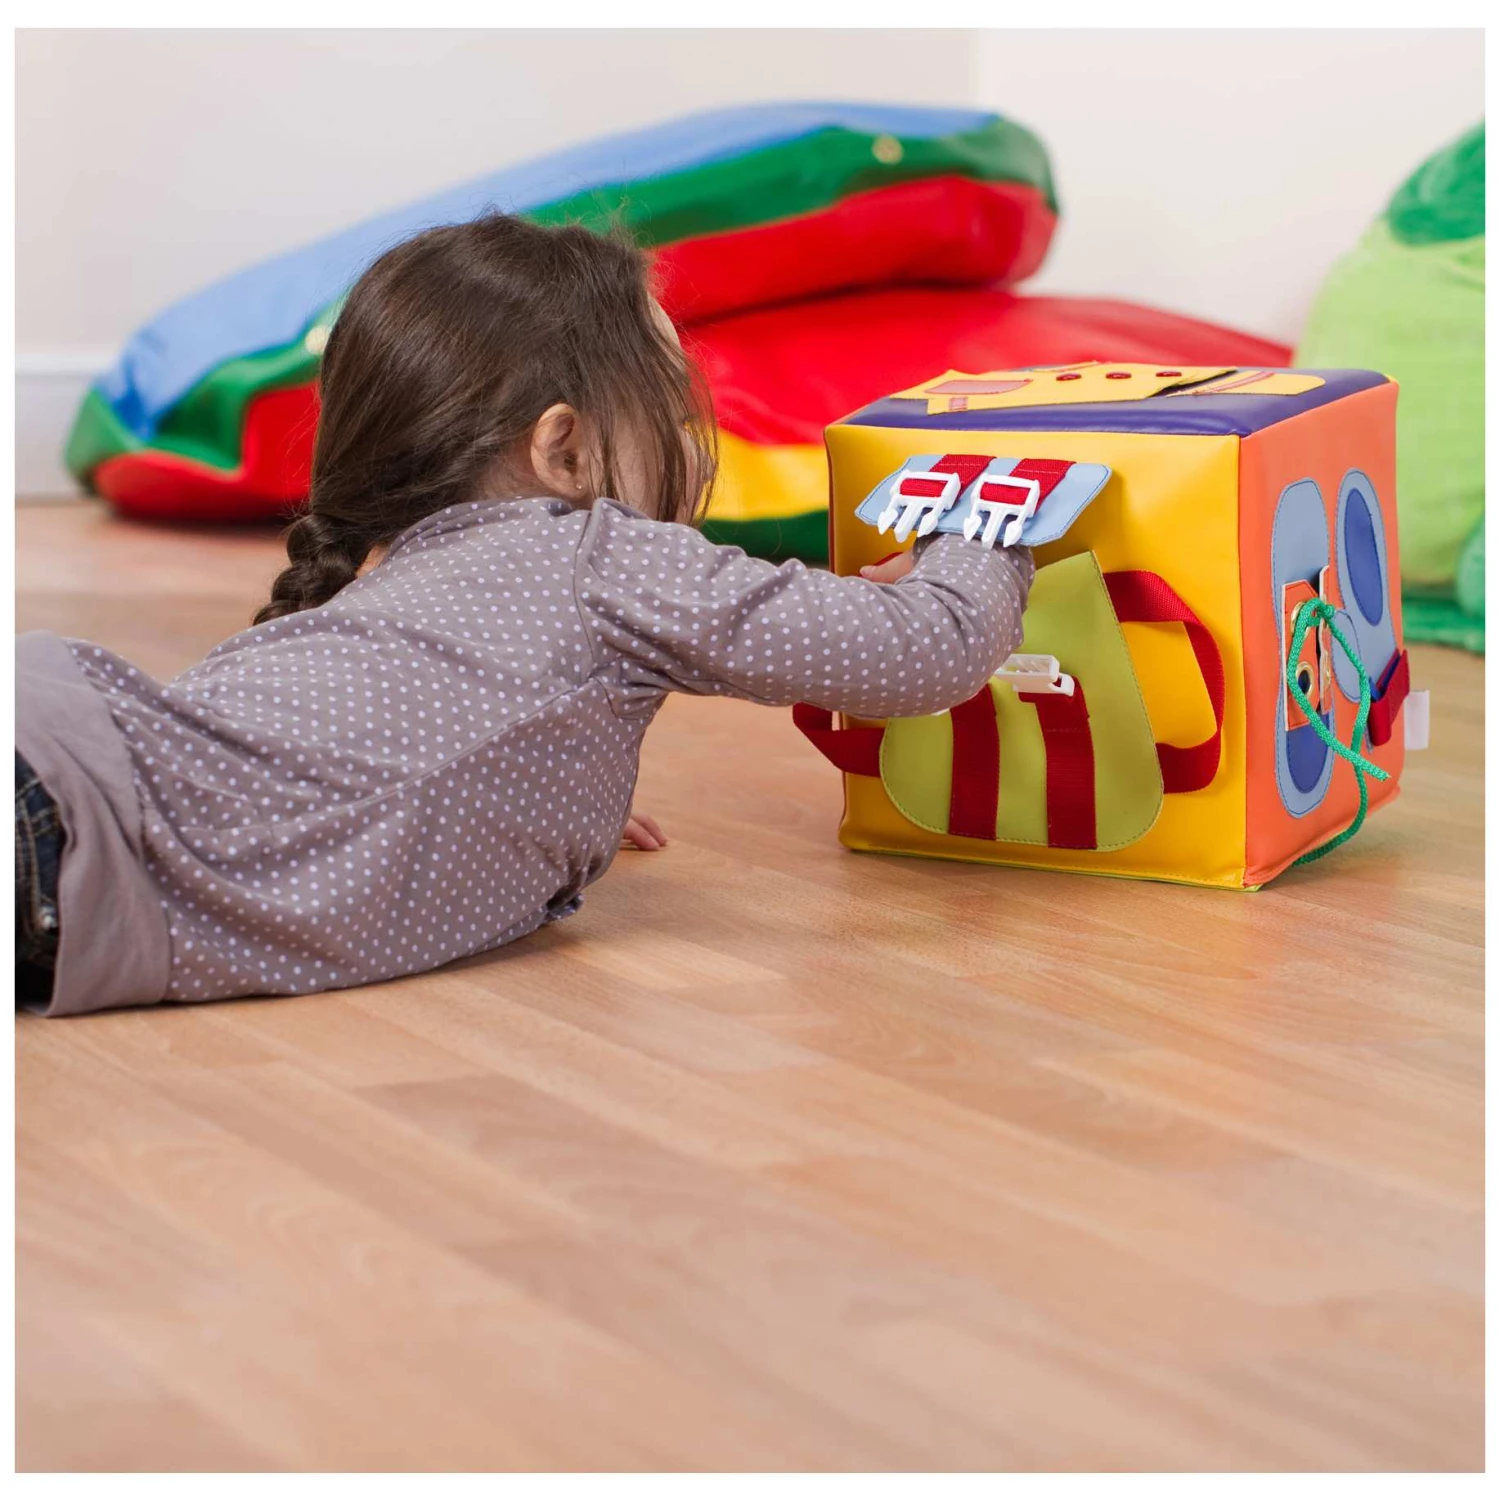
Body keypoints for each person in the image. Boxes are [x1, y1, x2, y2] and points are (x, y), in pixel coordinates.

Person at [15, 214, 1032, 1017]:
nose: (693, 436)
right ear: (564, 451)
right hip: (55, 832)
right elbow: (926, 650)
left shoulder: (384, 588)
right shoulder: (601, 552)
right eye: (671, 404)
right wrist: (989, 522)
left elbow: (284, 758)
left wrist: (540, 794)